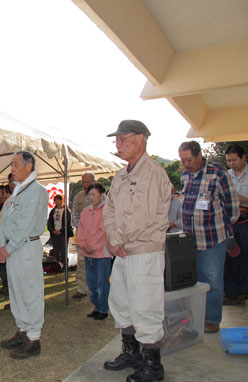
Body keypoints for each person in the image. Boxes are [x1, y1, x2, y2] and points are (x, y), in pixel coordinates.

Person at [103, 120, 171, 382]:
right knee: (121, 302)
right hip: (122, 250)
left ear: (141, 139)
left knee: (146, 307)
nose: (118, 145)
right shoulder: (121, 175)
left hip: (143, 250)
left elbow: (141, 217)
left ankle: (152, 366)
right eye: (116, 141)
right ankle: (131, 353)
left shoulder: (152, 173)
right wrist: (112, 238)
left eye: (123, 139)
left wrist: (116, 239)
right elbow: (109, 209)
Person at [179, 141, 240, 334]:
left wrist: (224, 225)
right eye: (182, 160)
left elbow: (232, 205)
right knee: (193, 280)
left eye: (188, 159)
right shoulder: (185, 175)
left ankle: (212, 319)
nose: (185, 164)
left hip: (213, 238)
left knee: (212, 280)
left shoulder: (217, 172)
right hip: (190, 239)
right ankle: (196, 317)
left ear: (199, 156)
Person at [0, 151, 48, 359]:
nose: (12, 168)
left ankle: (34, 337)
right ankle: (23, 330)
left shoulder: (36, 190)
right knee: (16, 292)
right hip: (13, 248)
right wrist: (2, 245)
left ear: (29, 166)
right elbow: (5, 220)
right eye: (11, 164)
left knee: (30, 292)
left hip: (26, 248)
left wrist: (7, 249)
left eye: (16, 164)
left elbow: (26, 225)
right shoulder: (19, 190)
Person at [76, 183, 111, 320]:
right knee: (91, 282)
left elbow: (104, 231)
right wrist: (83, 244)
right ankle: (96, 307)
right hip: (87, 252)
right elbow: (81, 230)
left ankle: (103, 308)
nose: (90, 197)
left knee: (102, 282)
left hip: (101, 253)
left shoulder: (106, 211)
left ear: (102, 195)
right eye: (89, 194)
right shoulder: (86, 211)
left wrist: (91, 245)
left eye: (93, 194)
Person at [224, 144, 248, 305]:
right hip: (231, 221)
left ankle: (244, 290)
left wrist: (240, 198)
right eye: (229, 161)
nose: (231, 163)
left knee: (246, 256)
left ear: (243, 157)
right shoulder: (227, 175)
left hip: (246, 220)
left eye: (234, 160)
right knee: (231, 255)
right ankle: (232, 292)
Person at [71, 172, 95, 299]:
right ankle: (81, 289)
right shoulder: (78, 196)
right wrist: (80, 227)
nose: (85, 185)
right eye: (84, 182)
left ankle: (96, 288)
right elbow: (74, 213)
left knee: (96, 262)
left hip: (97, 234)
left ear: (93, 182)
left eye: (88, 182)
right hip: (81, 233)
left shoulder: (101, 196)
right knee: (81, 262)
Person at [47, 194, 73, 269]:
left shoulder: (66, 210)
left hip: (63, 234)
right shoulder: (53, 211)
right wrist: (53, 231)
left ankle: (65, 266)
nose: (57, 201)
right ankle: (57, 266)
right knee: (56, 250)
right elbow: (50, 222)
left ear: (62, 200)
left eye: (58, 199)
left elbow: (67, 222)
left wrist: (61, 231)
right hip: (54, 233)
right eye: (55, 200)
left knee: (63, 250)